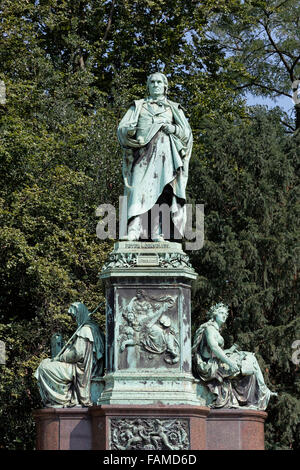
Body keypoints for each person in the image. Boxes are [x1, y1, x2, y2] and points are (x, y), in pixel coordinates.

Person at [117, 72, 193, 241]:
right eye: (153, 82)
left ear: (165, 87)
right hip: (142, 155)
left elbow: (187, 134)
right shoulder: (138, 106)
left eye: (159, 82)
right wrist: (130, 132)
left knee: (162, 193)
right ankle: (133, 230)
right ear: (148, 86)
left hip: (166, 158)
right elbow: (122, 128)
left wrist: (173, 129)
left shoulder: (173, 108)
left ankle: (157, 231)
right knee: (137, 190)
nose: (156, 85)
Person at [192, 303, 277, 410]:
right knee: (250, 363)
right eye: (221, 313)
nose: (224, 316)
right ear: (214, 314)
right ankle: (262, 393)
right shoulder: (209, 329)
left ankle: (262, 392)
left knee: (249, 356)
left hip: (215, 362)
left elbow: (218, 351)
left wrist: (230, 350)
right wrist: (230, 362)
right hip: (209, 366)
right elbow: (214, 348)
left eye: (225, 314)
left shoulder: (215, 330)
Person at [34, 302, 105, 407]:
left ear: (80, 314)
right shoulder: (88, 329)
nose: (74, 319)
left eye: (75, 316)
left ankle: (61, 400)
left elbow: (77, 354)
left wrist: (60, 358)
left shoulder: (86, 330)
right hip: (79, 366)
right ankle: (58, 399)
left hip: (81, 369)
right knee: (45, 363)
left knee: (45, 367)